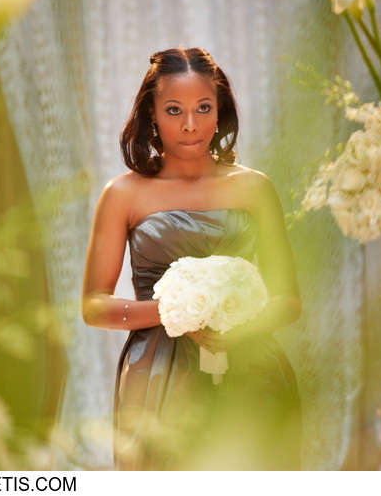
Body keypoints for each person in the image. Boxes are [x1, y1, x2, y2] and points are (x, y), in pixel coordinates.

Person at [81, 47, 303, 470]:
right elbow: (93, 306)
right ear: (152, 115)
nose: (190, 125)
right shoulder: (122, 194)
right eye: (173, 110)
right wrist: (173, 312)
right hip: (157, 379)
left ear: (220, 111)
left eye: (203, 108)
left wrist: (237, 328)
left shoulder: (255, 189)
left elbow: (288, 301)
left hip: (252, 370)